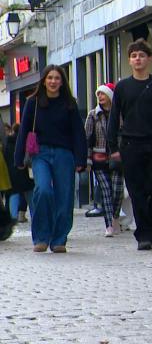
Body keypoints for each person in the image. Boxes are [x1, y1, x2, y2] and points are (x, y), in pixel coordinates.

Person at [107, 38, 152, 251]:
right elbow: (114, 117)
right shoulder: (122, 87)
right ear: (130, 60)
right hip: (130, 145)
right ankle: (143, 234)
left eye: (141, 55)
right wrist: (113, 147)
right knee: (136, 191)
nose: (137, 59)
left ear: (149, 59)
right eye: (133, 56)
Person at [14, 65, 88, 253]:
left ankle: (59, 239)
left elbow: (78, 132)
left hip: (64, 154)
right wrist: (19, 157)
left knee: (65, 196)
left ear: (62, 82)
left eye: (57, 78)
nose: (53, 81)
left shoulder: (69, 104)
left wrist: (81, 158)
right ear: (44, 81)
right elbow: (24, 130)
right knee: (43, 190)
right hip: (41, 153)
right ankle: (41, 237)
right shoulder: (33, 102)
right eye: (50, 78)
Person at [84, 83, 125, 237]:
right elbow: (87, 138)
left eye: (103, 94)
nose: (100, 97)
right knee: (106, 191)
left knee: (117, 191)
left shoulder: (120, 113)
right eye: (98, 94)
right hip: (99, 157)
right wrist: (88, 159)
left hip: (117, 157)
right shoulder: (93, 115)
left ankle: (115, 217)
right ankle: (109, 225)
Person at [5, 124, 33, 224]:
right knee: (30, 195)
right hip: (25, 172)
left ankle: (13, 218)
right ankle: (35, 215)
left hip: (12, 174)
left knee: (14, 194)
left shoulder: (7, 143)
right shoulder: (25, 141)